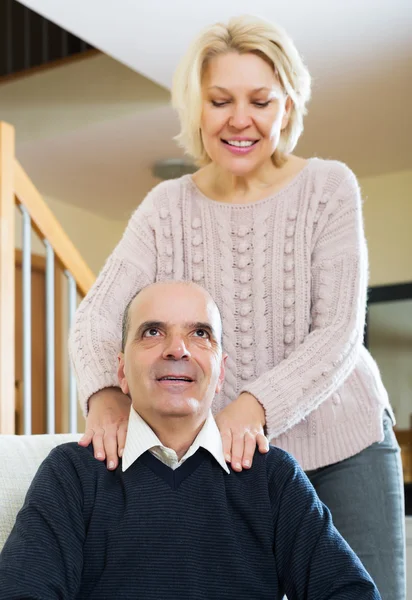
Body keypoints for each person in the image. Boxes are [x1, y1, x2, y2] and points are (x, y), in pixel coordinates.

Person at [69, 15, 405, 599]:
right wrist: (103, 397)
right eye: (220, 100)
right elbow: (97, 315)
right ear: (197, 109)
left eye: (260, 100)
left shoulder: (330, 187)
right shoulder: (165, 207)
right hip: (236, 460)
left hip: (343, 448)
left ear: (289, 105)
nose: (240, 119)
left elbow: (340, 332)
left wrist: (254, 405)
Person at [0, 281, 381, 599]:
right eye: (153, 332)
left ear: (219, 373)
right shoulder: (73, 473)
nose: (176, 349)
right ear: (122, 372)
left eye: (199, 333)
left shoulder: (272, 477)